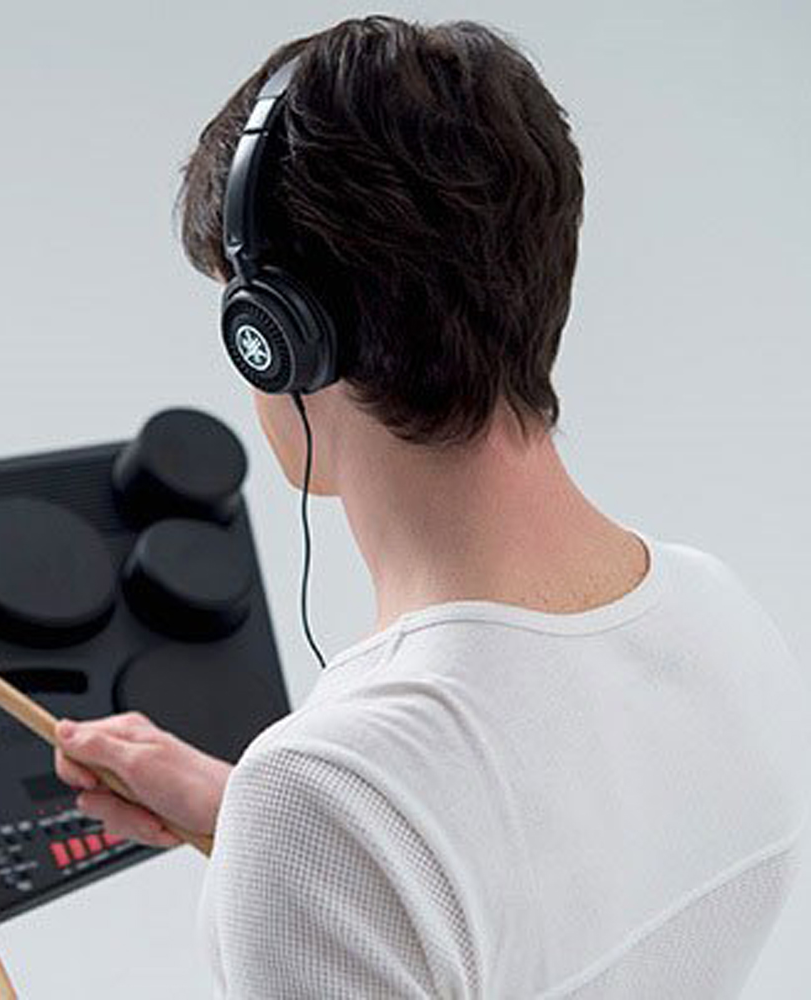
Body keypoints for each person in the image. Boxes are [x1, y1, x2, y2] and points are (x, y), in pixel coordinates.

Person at [54, 15, 810, 998]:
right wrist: (273, 840)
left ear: (276, 337)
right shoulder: (718, 614)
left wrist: (300, 832)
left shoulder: (323, 796)